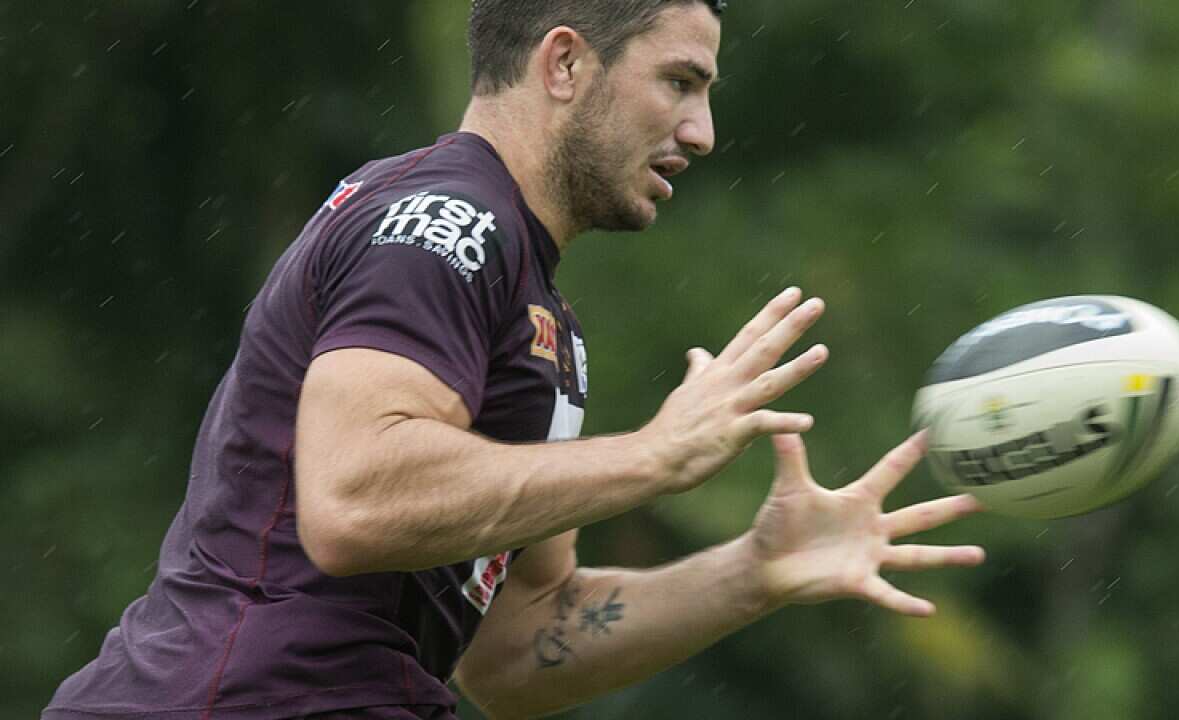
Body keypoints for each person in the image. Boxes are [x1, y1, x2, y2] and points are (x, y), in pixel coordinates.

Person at [44, 2, 985, 719]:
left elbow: (515, 649)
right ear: (567, 62)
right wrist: (656, 456)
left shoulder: (544, 316)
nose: (702, 132)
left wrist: (755, 570)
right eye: (681, 82)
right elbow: (356, 497)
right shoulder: (444, 223)